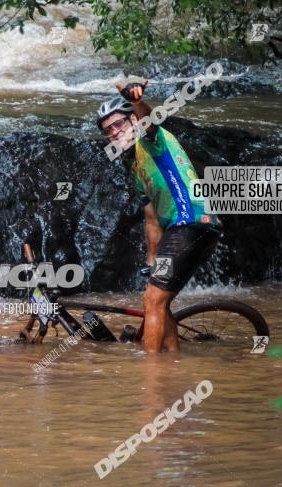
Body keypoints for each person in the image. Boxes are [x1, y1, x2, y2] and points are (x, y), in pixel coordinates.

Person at [96, 77, 221, 352]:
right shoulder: (138, 169)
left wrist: (137, 101)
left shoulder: (152, 141)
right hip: (183, 233)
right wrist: (152, 259)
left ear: (131, 121)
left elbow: (149, 122)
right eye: (108, 131)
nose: (115, 133)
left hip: (190, 224)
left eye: (118, 124)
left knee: (152, 301)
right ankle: (171, 361)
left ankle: (151, 376)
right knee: (159, 302)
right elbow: (151, 219)